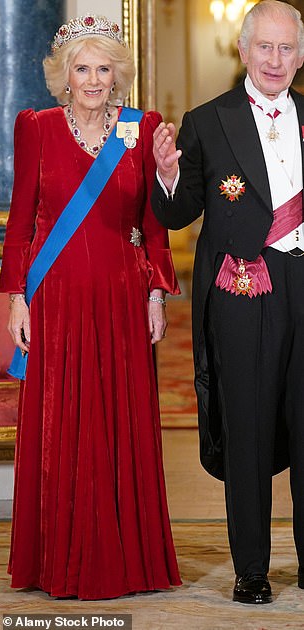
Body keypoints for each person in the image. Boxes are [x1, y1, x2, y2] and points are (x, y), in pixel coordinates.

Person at [0, 14, 181, 600]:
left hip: (122, 299)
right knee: (61, 423)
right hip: (56, 299)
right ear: (64, 76)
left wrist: (155, 292)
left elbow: (152, 222)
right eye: (83, 68)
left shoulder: (141, 127)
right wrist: (16, 300)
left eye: (104, 69)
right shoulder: (38, 128)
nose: (94, 80)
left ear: (117, 75)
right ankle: (58, 559)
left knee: (119, 420)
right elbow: (22, 221)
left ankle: (126, 559)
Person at [152, 0, 304, 605]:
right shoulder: (207, 121)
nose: (275, 59)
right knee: (247, 428)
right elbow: (175, 212)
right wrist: (166, 175)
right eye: (264, 47)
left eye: (286, 47)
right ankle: (252, 569)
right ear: (242, 50)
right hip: (246, 293)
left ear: (300, 53)